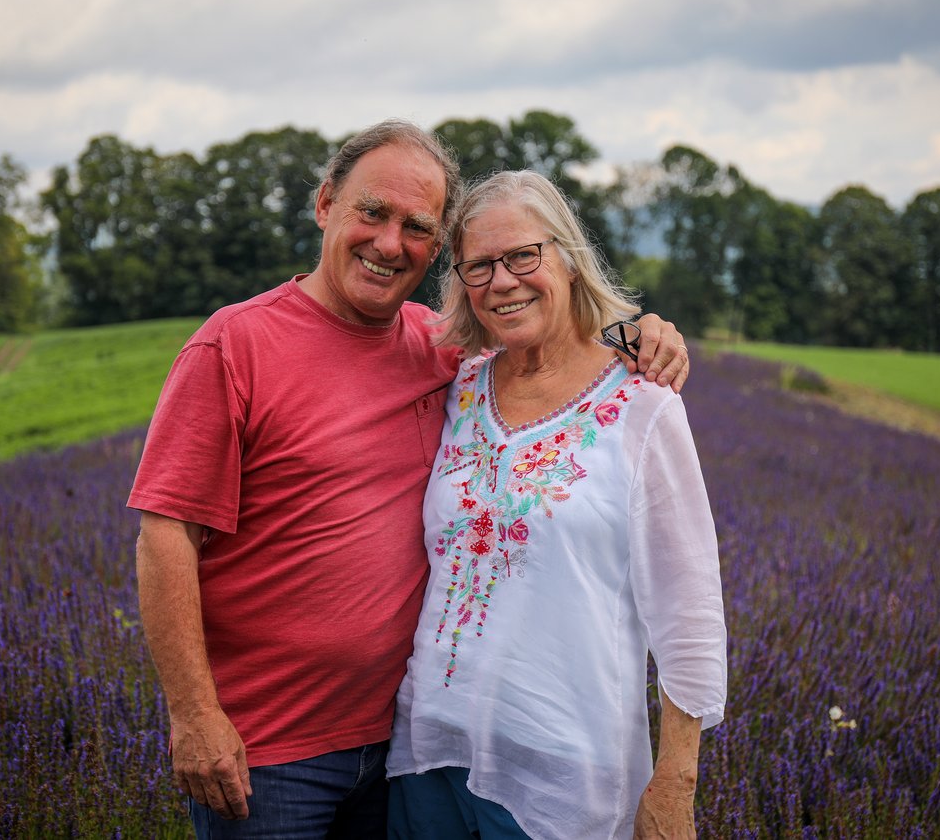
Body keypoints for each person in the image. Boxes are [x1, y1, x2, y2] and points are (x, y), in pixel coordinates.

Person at [127, 120, 692, 839]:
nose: (391, 243)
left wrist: (638, 331)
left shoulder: (441, 349)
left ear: (436, 251)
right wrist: (194, 716)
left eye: (418, 227)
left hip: (401, 746)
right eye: (373, 212)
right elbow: (166, 535)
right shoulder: (234, 345)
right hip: (266, 756)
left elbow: (541, 318)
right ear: (327, 203)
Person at [386, 171, 727, 839]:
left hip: (562, 769)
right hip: (427, 749)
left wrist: (676, 780)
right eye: (479, 266)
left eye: (522, 256)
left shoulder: (642, 404)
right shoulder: (457, 387)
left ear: (567, 257)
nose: (503, 281)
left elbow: (688, 610)